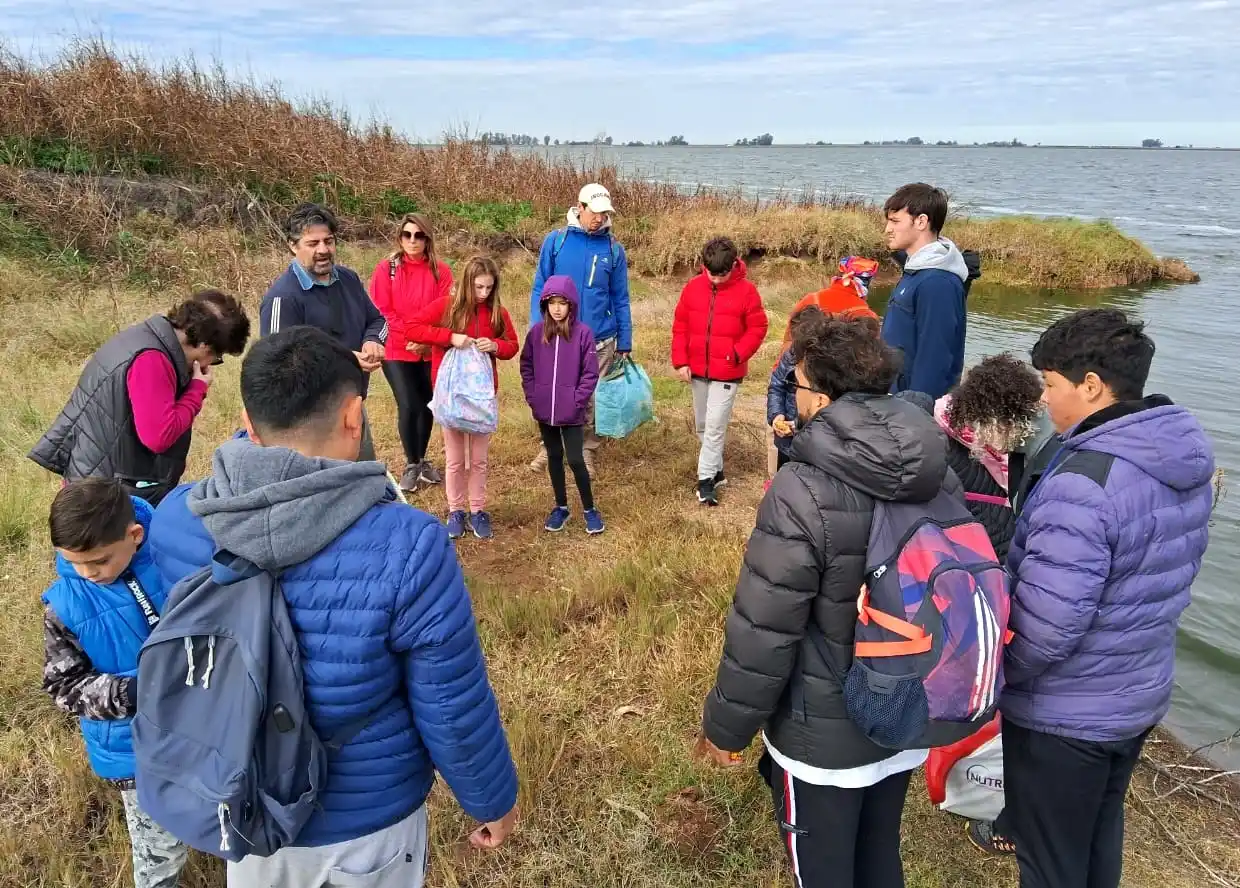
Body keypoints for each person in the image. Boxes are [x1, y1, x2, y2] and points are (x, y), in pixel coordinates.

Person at [148, 326, 519, 888]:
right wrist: (490, 798)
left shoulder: (179, 521)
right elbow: (450, 702)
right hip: (367, 821)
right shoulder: (409, 542)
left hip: (244, 807)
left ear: (247, 423)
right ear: (354, 416)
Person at [698, 312, 960, 888]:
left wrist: (727, 728)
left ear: (823, 395)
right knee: (879, 855)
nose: (794, 399)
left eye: (798, 385)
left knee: (821, 872)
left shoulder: (802, 487)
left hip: (823, 738)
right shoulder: (937, 470)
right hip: (906, 712)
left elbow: (764, 630)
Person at [1002, 308, 1214, 888]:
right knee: (1096, 837)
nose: (1045, 401)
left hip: (1065, 713)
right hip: (1136, 691)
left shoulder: (1083, 481)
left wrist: (997, 675)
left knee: (1048, 861)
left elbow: (1046, 627)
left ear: (1091, 385)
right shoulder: (1182, 458)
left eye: (1050, 385)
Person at [42, 479, 188, 888]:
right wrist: (132, 693)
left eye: (99, 561)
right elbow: (64, 686)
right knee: (159, 850)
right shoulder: (64, 607)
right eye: (74, 562)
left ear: (135, 535)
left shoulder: (177, 558)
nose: (87, 574)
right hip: (137, 752)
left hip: (206, 729)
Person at [29, 290, 250, 505]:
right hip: (109, 494)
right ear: (204, 345)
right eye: (216, 357)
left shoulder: (145, 336)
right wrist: (196, 389)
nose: (209, 365)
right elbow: (159, 436)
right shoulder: (152, 361)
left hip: (96, 476)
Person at [260, 202, 387, 461]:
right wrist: (344, 358)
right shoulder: (282, 298)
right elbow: (276, 367)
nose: (323, 250)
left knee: (363, 484)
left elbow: (378, 321)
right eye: (313, 243)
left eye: (328, 241)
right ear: (292, 245)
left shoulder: (349, 280)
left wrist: (373, 340)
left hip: (353, 409)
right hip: (309, 426)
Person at [407, 256, 518, 541]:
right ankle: (456, 510)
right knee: (455, 460)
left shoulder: (496, 313)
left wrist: (495, 345)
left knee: (478, 460)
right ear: (468, 284)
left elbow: (512, 345)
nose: (483, 294)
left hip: (480, 397)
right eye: (479, 287)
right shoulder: (447, 307)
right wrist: (449, 337)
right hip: (451, 395)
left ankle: (478, 510)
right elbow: (413, 327)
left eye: (489, 288)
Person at [528, 183, 633, 475]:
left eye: (605, 213)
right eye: (594, 212)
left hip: (600, 338)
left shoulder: (614, 250)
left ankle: (586, 449)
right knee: (557, 392)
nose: (599, 219)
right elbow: (540, 286)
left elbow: (620, 297)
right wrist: (538, 329)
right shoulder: (556, 241)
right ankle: (550, 447)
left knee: (592, 397)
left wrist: (625, 339)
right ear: (580, 207)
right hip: (559, 335)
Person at [671, 236, 769, 505]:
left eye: (721, 274)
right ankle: (717, 471)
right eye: (711, 273)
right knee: (703, 425)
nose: (715, 279)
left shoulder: (748, 292)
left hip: (727, 371)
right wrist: (680, 361)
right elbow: (680, 325)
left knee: (714, 427)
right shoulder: (692, 288)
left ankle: (705, 482)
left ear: (733, 266)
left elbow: (758, 328)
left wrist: (737, 354)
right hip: (697, 368)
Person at [370, 213, 454, 492]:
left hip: (429, 348)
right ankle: (410, 462)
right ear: (400, 237)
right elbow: (383, 309)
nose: (412, 241)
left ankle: (421, 460)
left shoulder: (441, 271)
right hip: (397, 347)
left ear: (428, 238)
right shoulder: (387, 269)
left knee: (428, 404)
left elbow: (445, 310)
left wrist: (426, 339)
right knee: (408, 404)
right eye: (407, 235)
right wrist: (412, 335)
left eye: (419, 235)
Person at [520, 275, 605, 534]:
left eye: (562, 303)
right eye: (552, 303)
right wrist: (534, 398)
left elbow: (590, 373)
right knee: (554, 457)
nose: (557, 309)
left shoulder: (583, 335)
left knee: (576, 459)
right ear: (545, 305)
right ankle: (561, 507)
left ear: (572, 305)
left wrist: (577, 401)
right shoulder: (536, 334)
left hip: (572, 413)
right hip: (544, 411)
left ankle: (590, 509)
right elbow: (526, 367)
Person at [879, 184, 970, 400]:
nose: (887, 229)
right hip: (895, 398)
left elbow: (935, 359)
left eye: (895, 221)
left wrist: (913, 413)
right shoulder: (916, 271)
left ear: (921, 221)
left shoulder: (938, 282)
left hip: (912, 410)